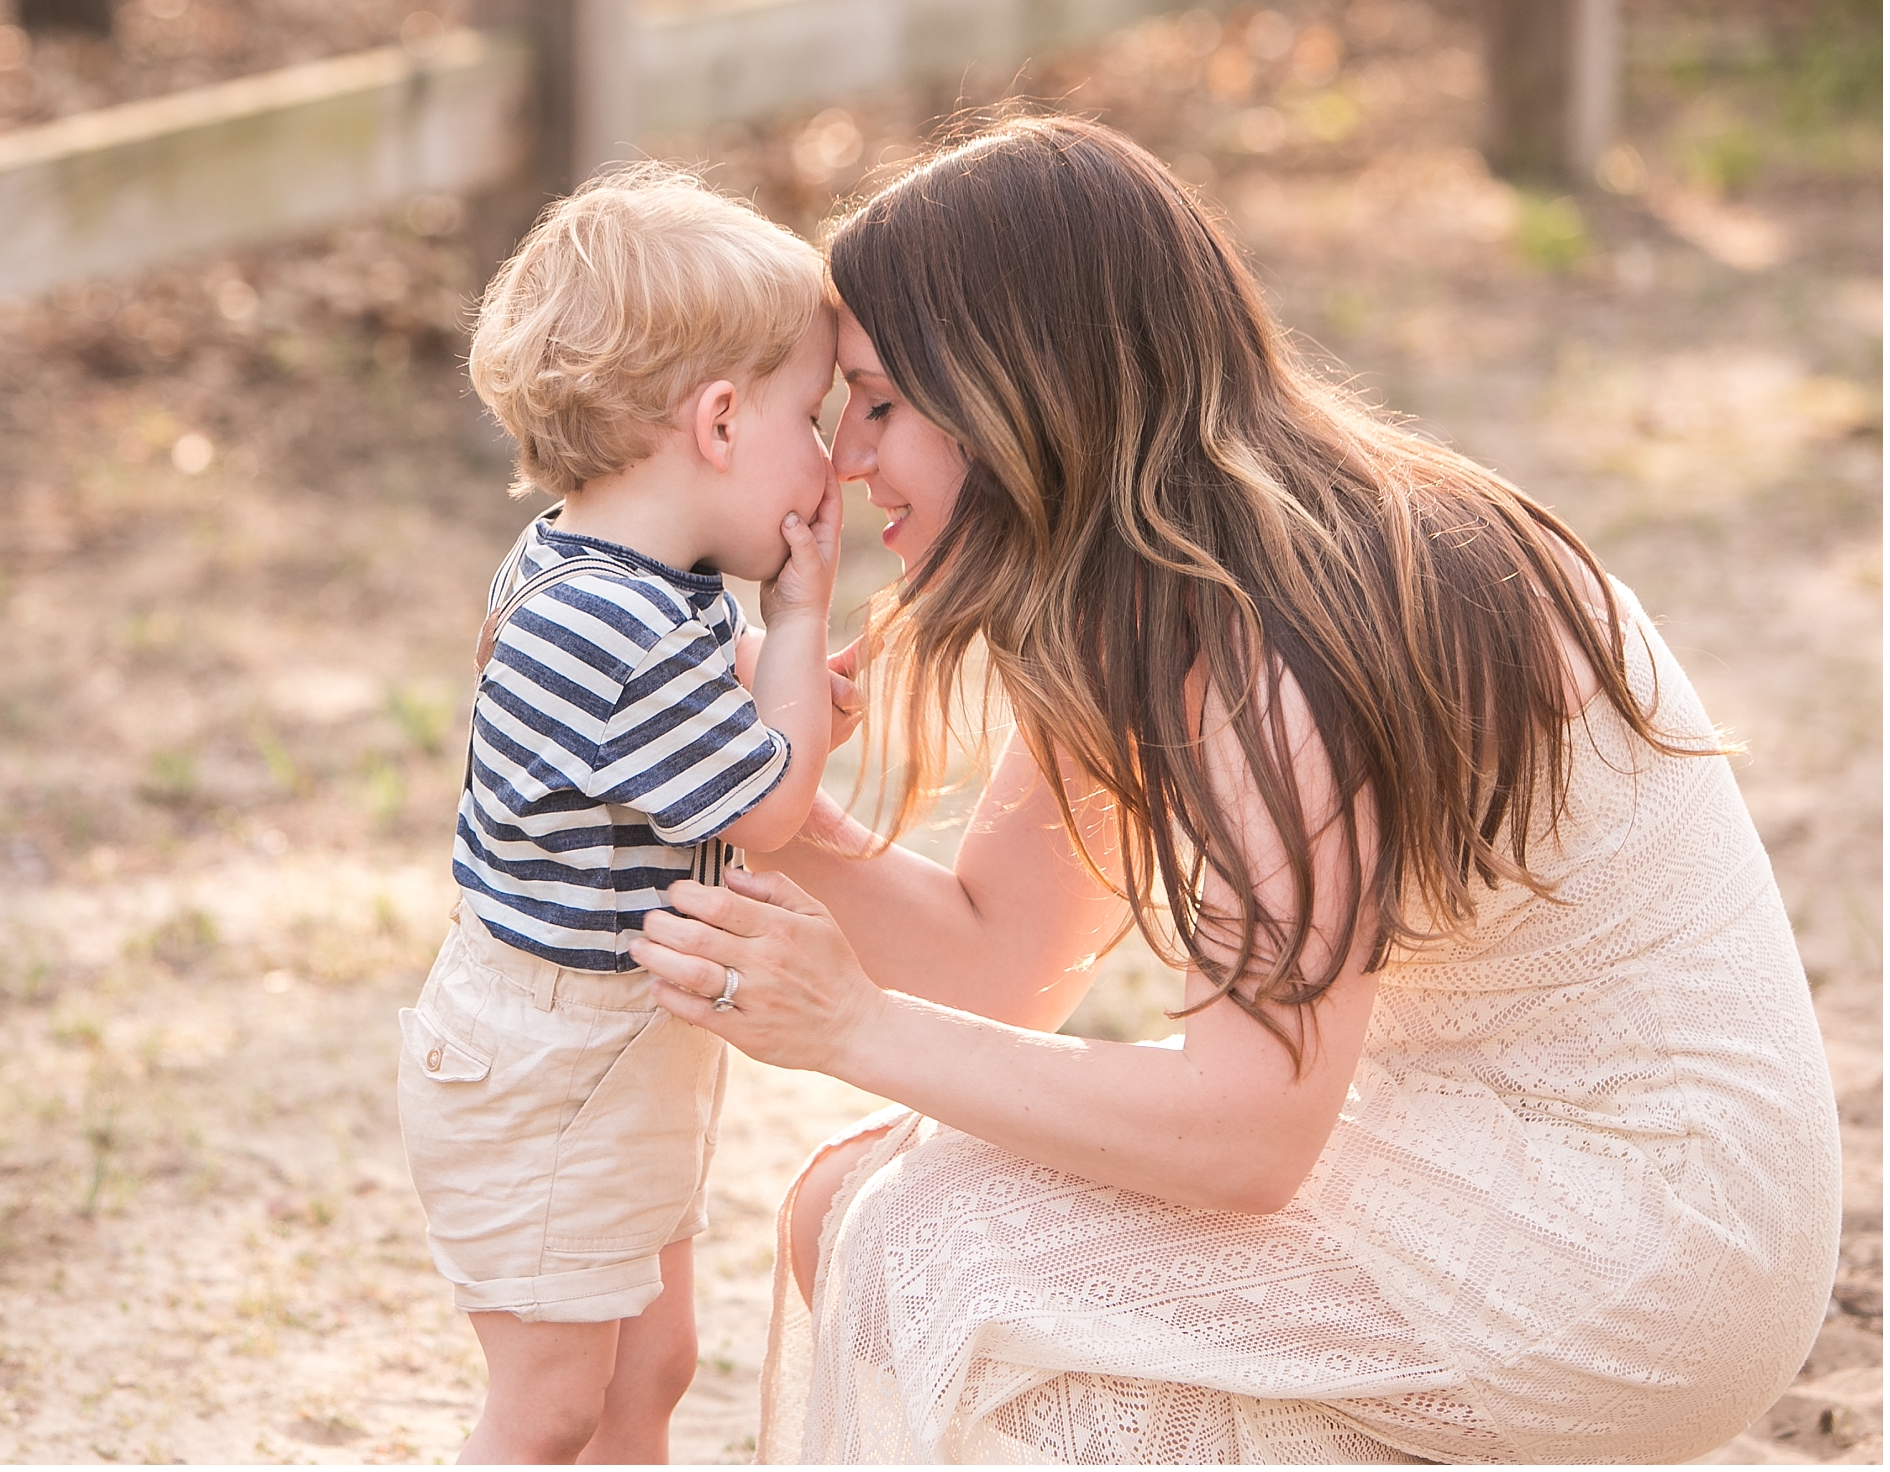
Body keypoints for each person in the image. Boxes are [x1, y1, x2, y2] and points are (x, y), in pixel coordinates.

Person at [628, 116, 1842, 1463]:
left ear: (1020, 388)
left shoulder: (1308, 622)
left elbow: (1245, 1133)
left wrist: (849, 1024)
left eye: (881, 402)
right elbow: (1000, 961)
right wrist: (741, 780)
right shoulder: (1145, 587)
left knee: (935, 1239)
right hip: (1470, 1123)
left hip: (1648, 1218)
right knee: (845, 1200)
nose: (847, 457)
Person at [399, 166, 844, 1464]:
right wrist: (805, 630)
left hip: (616, 1043)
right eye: (809, 417)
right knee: (548, 1410)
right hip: (550, 1060)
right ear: (717, 422)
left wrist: (783, 687)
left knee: (652, 1362)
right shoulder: (603, 619)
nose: (833, 461)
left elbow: (716, 735)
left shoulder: (627, 567)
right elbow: (767, 803)